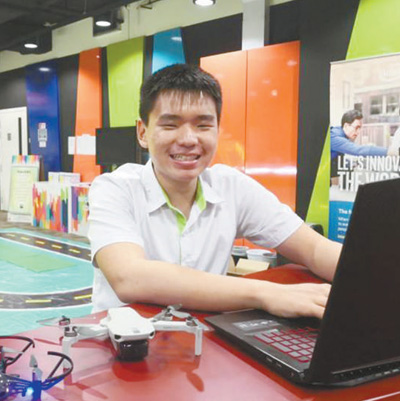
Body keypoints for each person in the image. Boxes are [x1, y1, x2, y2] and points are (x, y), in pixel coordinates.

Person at [88, 64, 341, 319]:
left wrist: (364, 277)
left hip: (205, 336)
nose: (188, 139)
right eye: (171, 125)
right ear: (143, 132)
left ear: (218, 130)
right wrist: (266, 293)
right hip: (123, 339)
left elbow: (315, 249)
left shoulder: (231, 187)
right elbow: (129, 277)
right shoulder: (115, 188)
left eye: (203, 125)